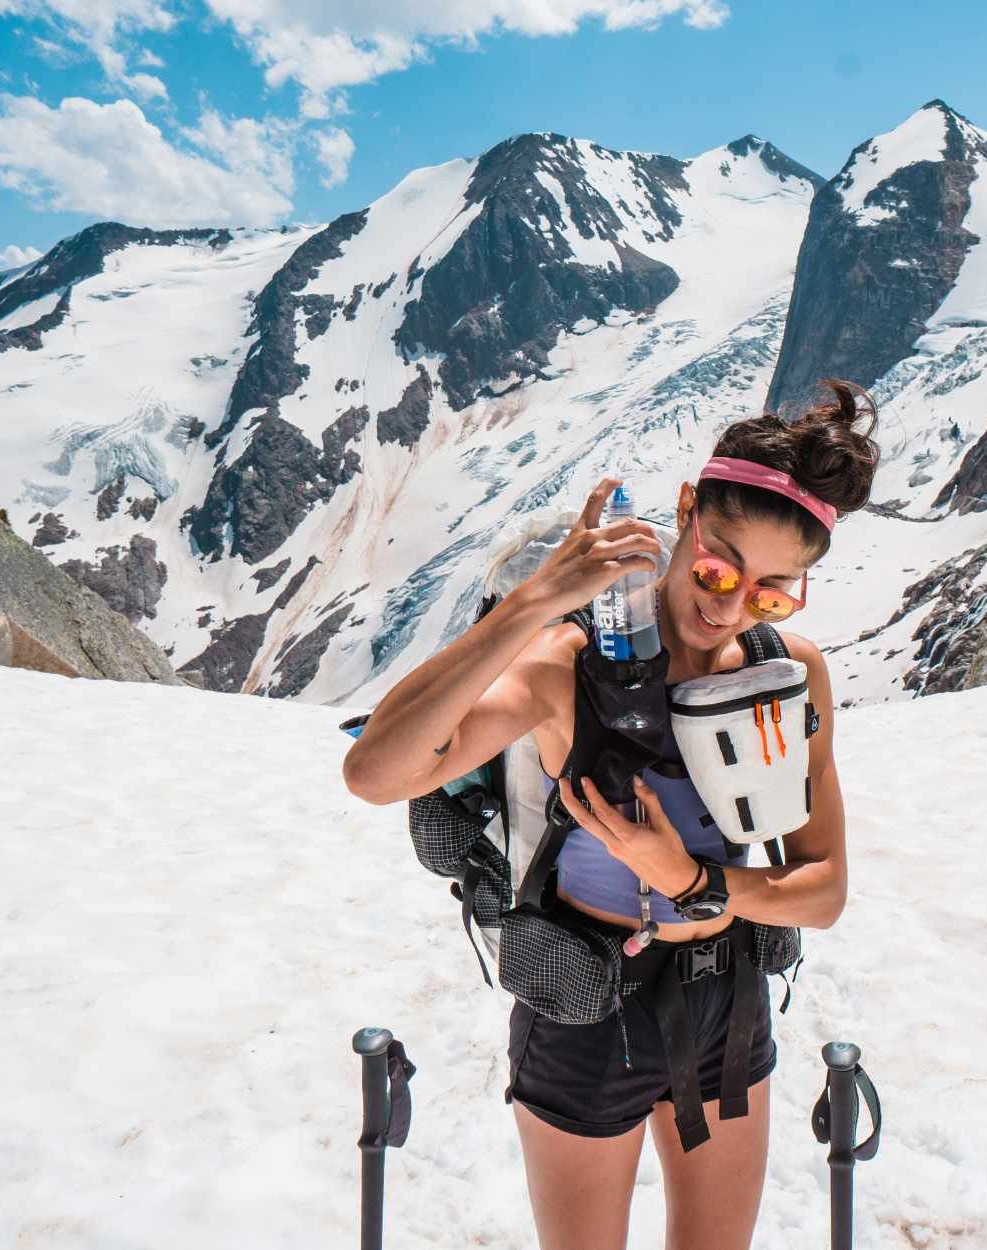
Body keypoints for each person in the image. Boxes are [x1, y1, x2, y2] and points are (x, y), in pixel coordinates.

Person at [343, 379, 880, 1250]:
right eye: (717, 568)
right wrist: (532, 602)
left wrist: (691, 880)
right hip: (587, 1009)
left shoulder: (790, 672)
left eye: (774, 593)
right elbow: (375, 773)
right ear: (684, 514)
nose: (730, 608)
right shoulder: (568, 663)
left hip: (731, 999)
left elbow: (821, 892)